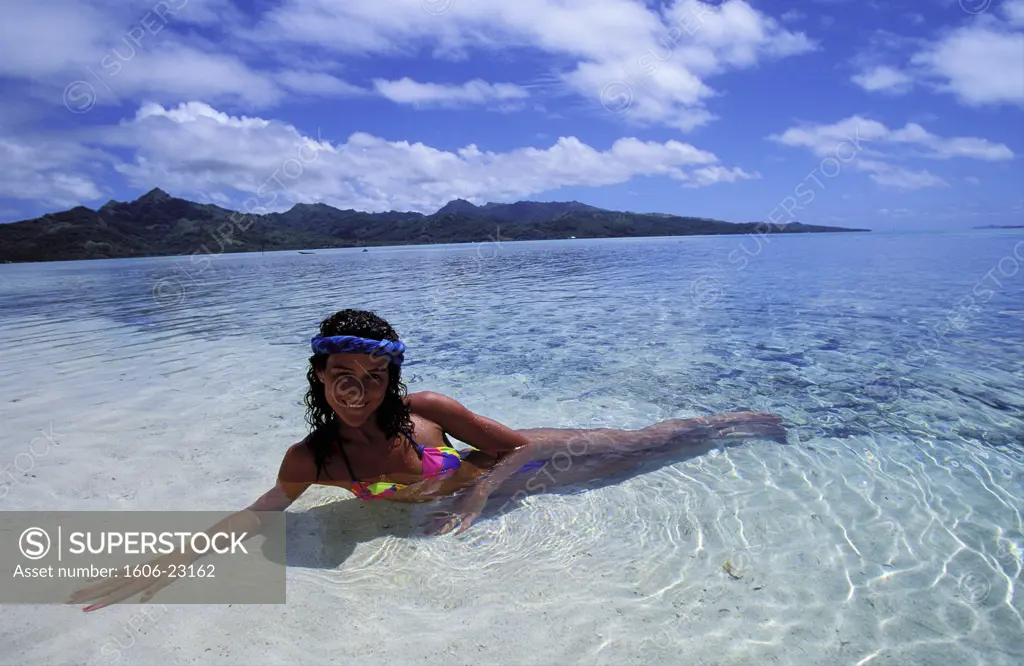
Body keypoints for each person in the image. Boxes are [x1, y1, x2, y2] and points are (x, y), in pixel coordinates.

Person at [69, 309, 786, 611]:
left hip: (518, 466)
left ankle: (735, 422)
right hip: (475, 489)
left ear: (393, 379)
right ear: (320, 379)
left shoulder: (430, 410)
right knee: (640, 455)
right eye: (342, 376)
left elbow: (518, 447)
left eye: (374, 377)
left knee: (645, 447)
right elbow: (258, 515)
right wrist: (163, 563)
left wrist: (475, 499)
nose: (358, 390)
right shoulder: (309, 458)